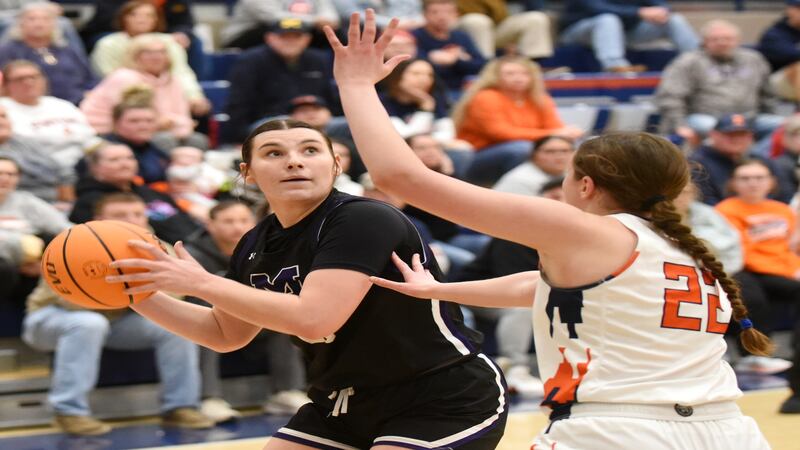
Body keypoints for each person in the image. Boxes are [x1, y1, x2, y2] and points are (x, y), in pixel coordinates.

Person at [323, 11, 771, 448]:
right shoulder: (686, 246)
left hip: (618, 430)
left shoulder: (582, 230)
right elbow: (541, 286)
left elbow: (402, 179)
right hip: (729, 428)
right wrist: (441, 290)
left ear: (587, 185)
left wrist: (357, 85)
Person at [107, 118, 508, 448]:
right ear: (246, 173)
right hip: (341, 401)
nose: (294, 162)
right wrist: (137, 294)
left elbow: (315, 320)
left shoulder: (363, 219)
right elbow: (224, 333)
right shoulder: (253, 243)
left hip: (441, 394)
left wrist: (201, 282)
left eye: (309, 151)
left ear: (335, 165)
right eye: (274, 153)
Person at [22, 192, 211, 436]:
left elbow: (175, 299)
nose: (132, 220)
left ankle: (181, 407)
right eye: (121, 215)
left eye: (137, 214)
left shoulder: (159, 248)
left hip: (116, 322)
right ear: (99, 219)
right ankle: (69, 412)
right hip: (51, 318)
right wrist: (125, 293)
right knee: (89, 323)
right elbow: (68, 300)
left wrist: (126, 293)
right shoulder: (71, 245)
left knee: (177, 328)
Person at [183, 200, 311, 421]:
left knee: (284, 311)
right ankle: (209, 398)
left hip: (254, 320)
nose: (237, 227)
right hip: (215, 323)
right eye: (229, 221)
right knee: (203, 314)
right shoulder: (193, 254)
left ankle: (287, 391)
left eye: (244, 220)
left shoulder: (266, 248)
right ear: (210, 225)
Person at [714, 160, 800, 412]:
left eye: (759, 177)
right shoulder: (726, 209)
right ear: (734, 183)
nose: (753, 183)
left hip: (783, 267)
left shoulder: (783, 209)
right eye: (745, 178)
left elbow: (790, 246)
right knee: (753, 294)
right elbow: (741, 250)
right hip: (746, 268)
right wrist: (791, 270)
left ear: (771, 182)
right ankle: (755, 354)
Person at [451, 55, 583, 185]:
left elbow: (554, 129)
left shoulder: (539, 98)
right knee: (521, 149)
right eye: (510, 74)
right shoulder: (486, 97)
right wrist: (554, 134)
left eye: (524, 73)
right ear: (495, 77)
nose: (518, 78)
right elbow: (500, 133)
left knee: (575, 146)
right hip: (479, 155)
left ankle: (560, 187)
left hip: (525, 147)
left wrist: (565, 135)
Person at [656, 20, 782, 141]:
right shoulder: (688, 62)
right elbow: (670, 97)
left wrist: (771, 114)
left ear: (738, 40)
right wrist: (680, 125)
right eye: (715, 39)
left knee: (787, 126)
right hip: (706, 118)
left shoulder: (754, 60)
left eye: (728, 39)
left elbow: (768, 95)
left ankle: (761, 159)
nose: (722, 43)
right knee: (710, 126)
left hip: (750, 118)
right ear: (704, 42)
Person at [81, 34, 209, 150]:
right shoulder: (125, 77)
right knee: (164, 140)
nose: (156, 57)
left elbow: (183, 115)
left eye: (161, 52)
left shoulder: (173, 80)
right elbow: (132, 117)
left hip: (162, 129)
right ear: (135, 57)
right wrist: (171, 124)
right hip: (110, 131)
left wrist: (181, 126)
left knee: (197, 140)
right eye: (148, 53)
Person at [89, 0, 209, 115]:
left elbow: (181, 72)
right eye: (134, 15)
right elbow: (109, 78)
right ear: (123, 17)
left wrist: (194, 97)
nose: (141, 20)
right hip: (123, 99)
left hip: (167, 97)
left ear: (156, 19)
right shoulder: (108, 44)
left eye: (148, 15)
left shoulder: (169, 42)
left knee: (199, 113)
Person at [0, 60, 97, 172]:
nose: (28, 82)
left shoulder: (61, 104)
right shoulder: (3, 109)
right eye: (20, 79)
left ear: (44, 80)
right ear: (6, 85)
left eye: (34, 77)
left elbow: (90, 137)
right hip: (39, 167)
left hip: (86, 161)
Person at [558, 0, 699, 73]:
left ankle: (700, 60)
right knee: (608, 19)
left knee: (674, 19)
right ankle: (615, 67)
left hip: (625, 33)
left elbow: (660, 4)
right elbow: (595, 8)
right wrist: (638, 12)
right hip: (579, 31)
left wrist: (661, 11)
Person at [0, 2, 97, 104]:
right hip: (31, 106)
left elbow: (90, 78)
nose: (39, 23)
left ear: (55, 24)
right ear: (20, 23)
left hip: (78, 103)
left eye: (45, 19)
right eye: (32, 19)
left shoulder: (67, 49)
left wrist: (91, 94)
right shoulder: (8, 51)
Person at [492, 135, 574, 197]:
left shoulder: (572, 174)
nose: (559, 156)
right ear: (534, 155)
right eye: (550, 151)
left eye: (565, 151)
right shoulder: (520, 180)